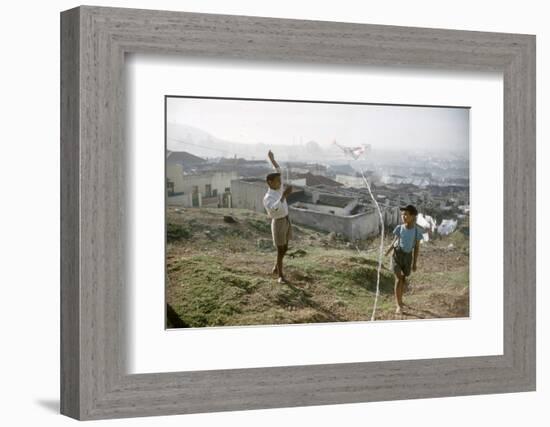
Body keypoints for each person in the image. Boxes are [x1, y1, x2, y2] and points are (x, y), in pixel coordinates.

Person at [385, 204, 423, 314]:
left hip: (407, 257)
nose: (403, 216)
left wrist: (414, 263)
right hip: (397, 255)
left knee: (403, 279)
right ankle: (398, 305)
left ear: (413, 216)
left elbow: (416, 248)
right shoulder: (399, 228)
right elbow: (395, 240)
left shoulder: (417, 232)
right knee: (398, 278)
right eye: (402, 215)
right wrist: (389, 249)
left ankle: (400, 299)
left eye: (406, 214)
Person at [263, 150, 293, 284]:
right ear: (270, 182)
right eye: (277, 181)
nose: (280, 183)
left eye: (280, 181)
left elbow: (278, 169)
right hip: (278, 222)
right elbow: (274, 208)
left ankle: (276, 267)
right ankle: (280, 275)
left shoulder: (278, 189)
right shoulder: (268, 197)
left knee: (285, 247)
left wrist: (272, 159)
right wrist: (284, 196)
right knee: (280, 249)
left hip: (286, 220)